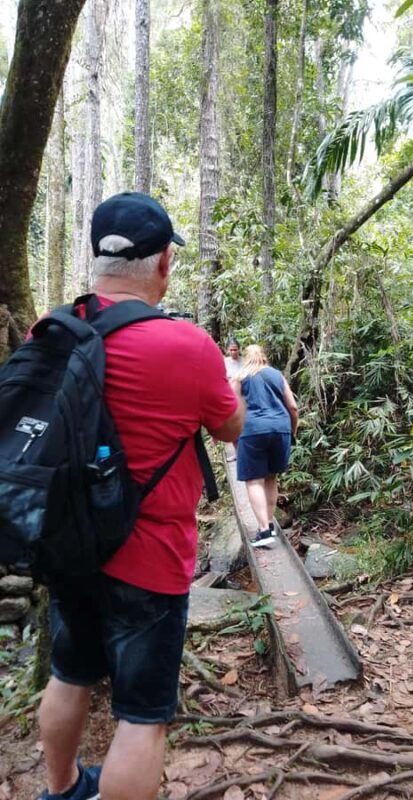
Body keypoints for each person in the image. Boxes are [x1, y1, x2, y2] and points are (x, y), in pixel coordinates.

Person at [36, 192, 245, 800]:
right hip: (150, 558)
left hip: (70, 546)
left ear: (97, 257)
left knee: (69, 674)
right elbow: (229, 427)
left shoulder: (49, 331)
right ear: (162, 265)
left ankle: (62, 788)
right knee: (142, 713)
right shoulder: (188, 347)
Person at [232, 345, 298, 547]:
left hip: (253, 430)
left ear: (246, 358)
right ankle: (269, 522)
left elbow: (232, 410)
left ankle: (263, 530)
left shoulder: (239, 377)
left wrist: (234, 440)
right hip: (281, 428)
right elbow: (293, 406)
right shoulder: (277, 374)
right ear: (264, 357)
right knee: (271, 477)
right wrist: (292, 431)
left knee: (253, 480)